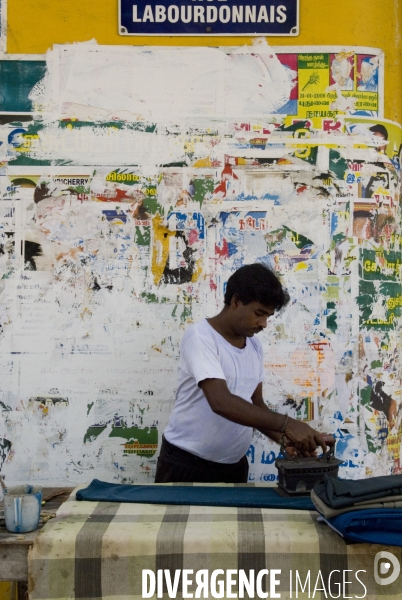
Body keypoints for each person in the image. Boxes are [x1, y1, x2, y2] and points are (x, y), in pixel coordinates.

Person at [155, 263, 327, 483]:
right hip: (186, 463)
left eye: (268, 316)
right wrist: (288, 425)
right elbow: (220, 401)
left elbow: (255, 404)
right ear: (236, 302)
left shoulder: (254, 347)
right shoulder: (201, 338)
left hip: (233, 466)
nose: (264, 323)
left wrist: (285, 440)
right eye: (259, 313)